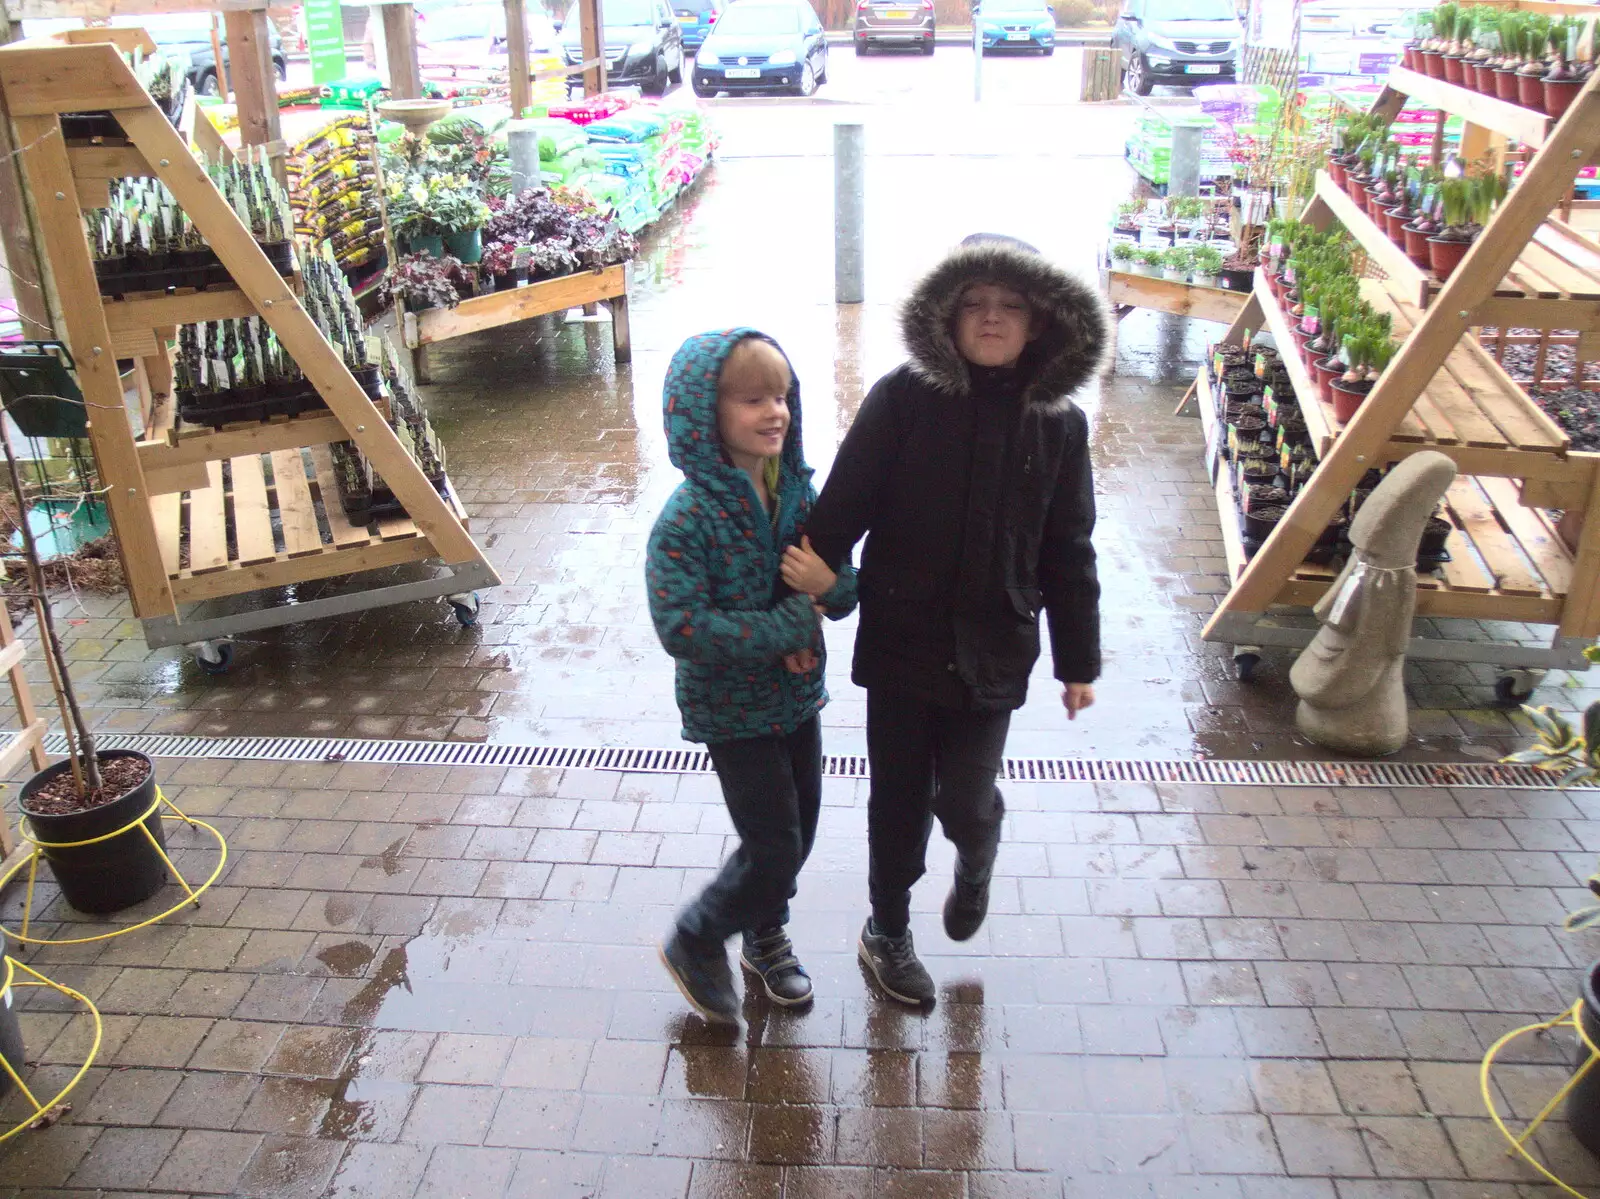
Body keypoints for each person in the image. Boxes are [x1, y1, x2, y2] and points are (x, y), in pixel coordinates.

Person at [802, 234, 1107, 1007]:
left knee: (965, 798)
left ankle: (977, 851)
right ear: (947, 315)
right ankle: (887, 930)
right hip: (904, 640)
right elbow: (845, 505)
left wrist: (1080, 661)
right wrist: (804, 592)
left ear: (1040, 322)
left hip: (995, 648)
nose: (993, 318)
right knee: (897, 801)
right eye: (975, 304)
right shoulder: (904, 398)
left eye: (1011, 306)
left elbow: (1069, 548)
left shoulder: (1059, 425)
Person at [647, 329, 857, 1026]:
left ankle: (763, 937)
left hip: (797, 699)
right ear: (706, 415)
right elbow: (680, 625)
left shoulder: (796, 491)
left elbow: (840, 579)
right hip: (732, 710)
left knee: (800, 832)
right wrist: (787, 631)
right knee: (774, 844)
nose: (776, 413)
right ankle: (698, 933)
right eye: (753, 400)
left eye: (783, 397)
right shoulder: (687, 518)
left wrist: (833, 588)